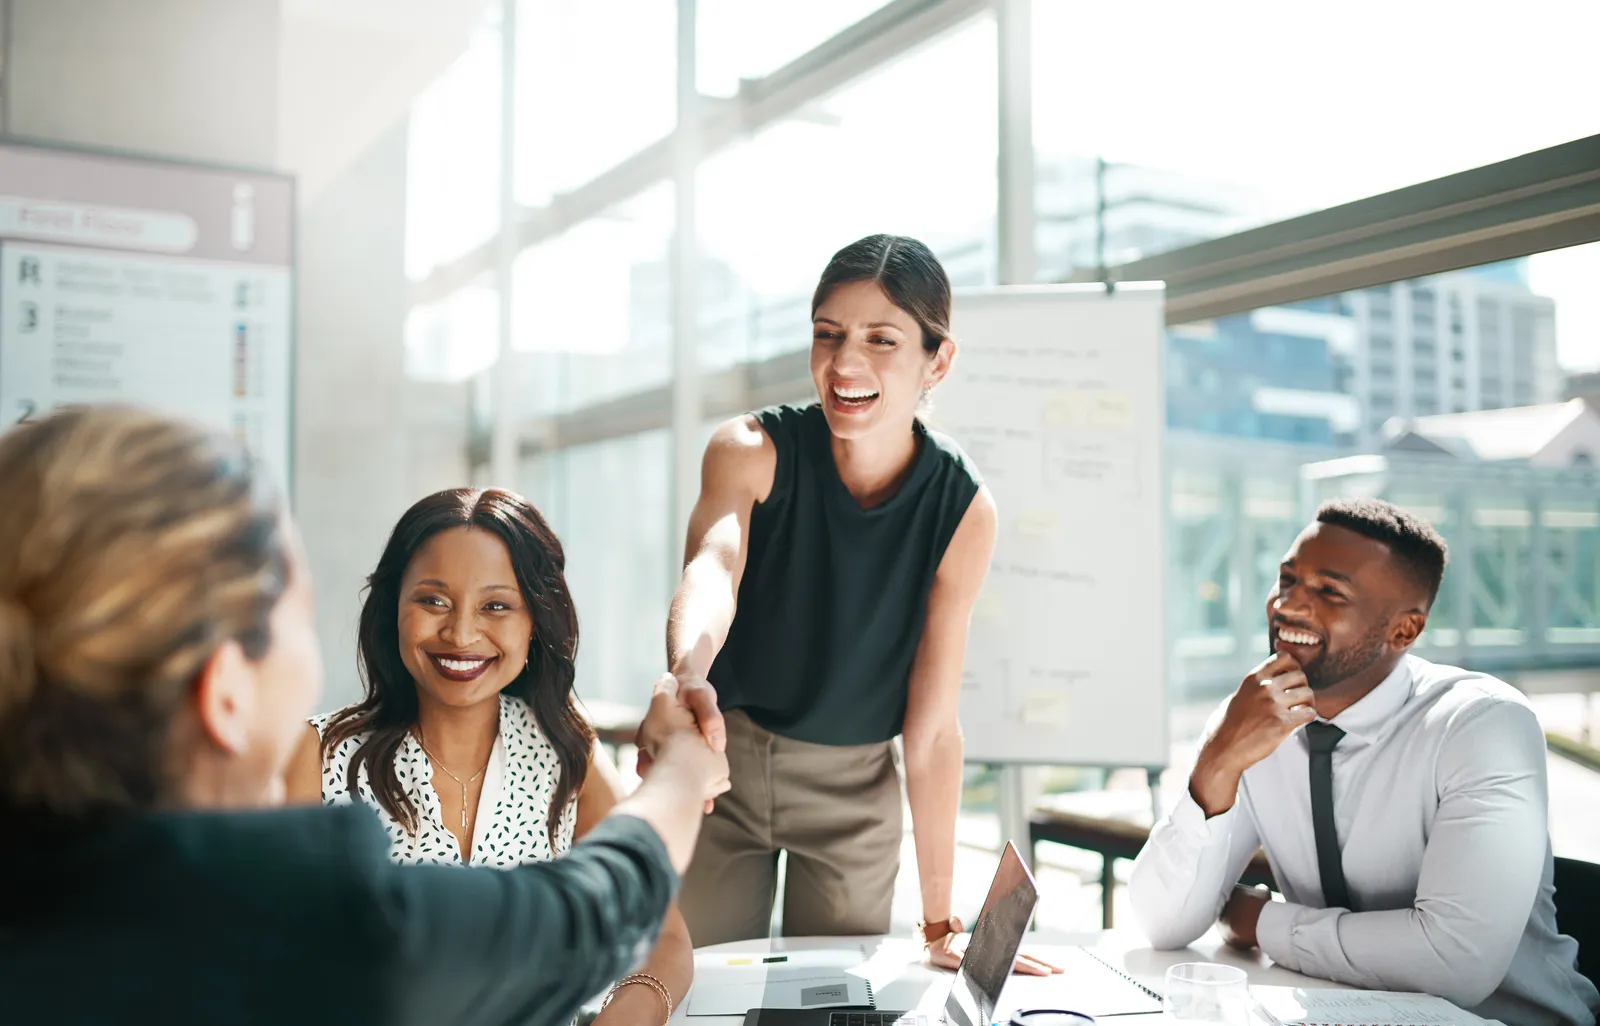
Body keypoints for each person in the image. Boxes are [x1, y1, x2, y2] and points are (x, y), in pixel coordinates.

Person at [0, 406, 729, 1026]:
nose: (460, 632)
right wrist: (684, 763)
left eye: (496, 605)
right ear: (225, 692)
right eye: (295, 606)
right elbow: (597, 908)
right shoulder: (299, 886)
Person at [661, 233, 1055, 975]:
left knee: (834, 1001)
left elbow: (933, 730)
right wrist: (688, 674)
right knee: (700, 985)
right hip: (725, 768)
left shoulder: (962, 509)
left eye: (882, 339)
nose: (846, 364)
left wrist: (940, 920)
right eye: (829, 335)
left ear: (937, 361)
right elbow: (713, 566)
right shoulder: (750, 449)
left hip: (855, 797)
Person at [1129, 498, 1599, 1026]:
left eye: (1329, 592)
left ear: (1404, 631)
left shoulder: (1483, 724)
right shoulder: (1256, 719)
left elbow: (1455, 963)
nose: (1288, 606)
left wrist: (1260, 922)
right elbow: (1162, 923)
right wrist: (1218, 760)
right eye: (1287, 580)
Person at [285, 488, 707, 1025]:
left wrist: (628, 1013)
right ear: (394, 604)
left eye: (496, 606)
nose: (461, 633)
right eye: (433, 600)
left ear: (536, 618)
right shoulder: (318, 756)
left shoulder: (566, 750)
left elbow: (661, 930)